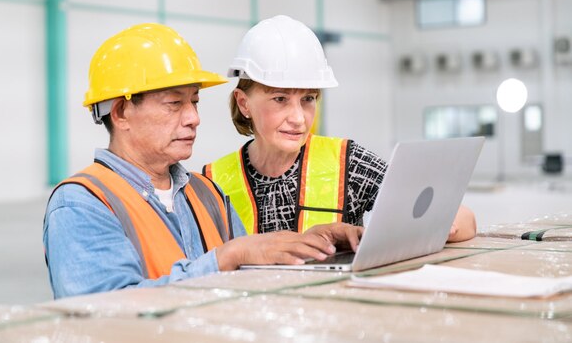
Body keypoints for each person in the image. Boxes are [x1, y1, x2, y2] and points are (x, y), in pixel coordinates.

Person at [43, 23, 362, 299]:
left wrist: (309, 247)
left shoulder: (206, 194)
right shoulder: (82, 203)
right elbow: (105, 315)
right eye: (174, 104)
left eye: (194, 101)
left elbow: (250, 279)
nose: (194, 118)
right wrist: (226, 257)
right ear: (121, 112)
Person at [203, 15, 476, 242]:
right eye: (280, 99)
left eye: (308, 99)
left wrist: (442, 223)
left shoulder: (349, 162)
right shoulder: (211, 182)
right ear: (244, 103)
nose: (298, 118)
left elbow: (465, 220)